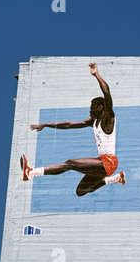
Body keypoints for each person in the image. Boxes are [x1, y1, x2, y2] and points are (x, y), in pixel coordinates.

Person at [21, 62, 125, 196]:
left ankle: (31, 172)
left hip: (108, 162)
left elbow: (107, 95)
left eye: (92, 106)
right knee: (81, 191)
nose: (90, 110)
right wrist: (46, 124)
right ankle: (115, 179)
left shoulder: (107, 119)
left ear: (100, 107)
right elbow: (68, 125)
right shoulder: (93, 122)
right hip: (103, 165)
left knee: (69, 163)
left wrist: (96, 75)